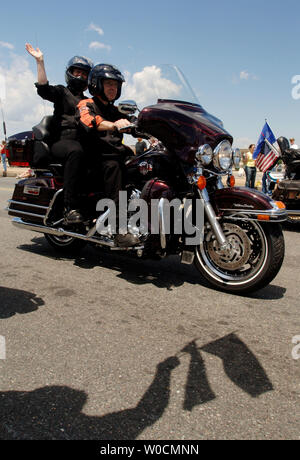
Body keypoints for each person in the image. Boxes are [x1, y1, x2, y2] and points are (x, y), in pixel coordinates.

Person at [25, 43, 93, 223]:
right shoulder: (62, 92)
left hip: (81, 141)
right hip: (62, 141)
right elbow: (44, 89)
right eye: (77, 72)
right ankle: (70, 206)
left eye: (84, 73)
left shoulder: (90, 101)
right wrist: (40, 62)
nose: (80, 76)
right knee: (76, 151)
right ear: (70, 73)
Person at [76, 63, 139, 247]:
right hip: (94, 157)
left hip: (112, 154)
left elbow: (132, 122)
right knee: (114, 166)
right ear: (97, 84)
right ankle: (119, 230)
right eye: (109, 84)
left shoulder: (115, 109)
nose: (113, 88)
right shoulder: (86, 104)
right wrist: (112, 125)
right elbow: (89, 120)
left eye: (116, 85)